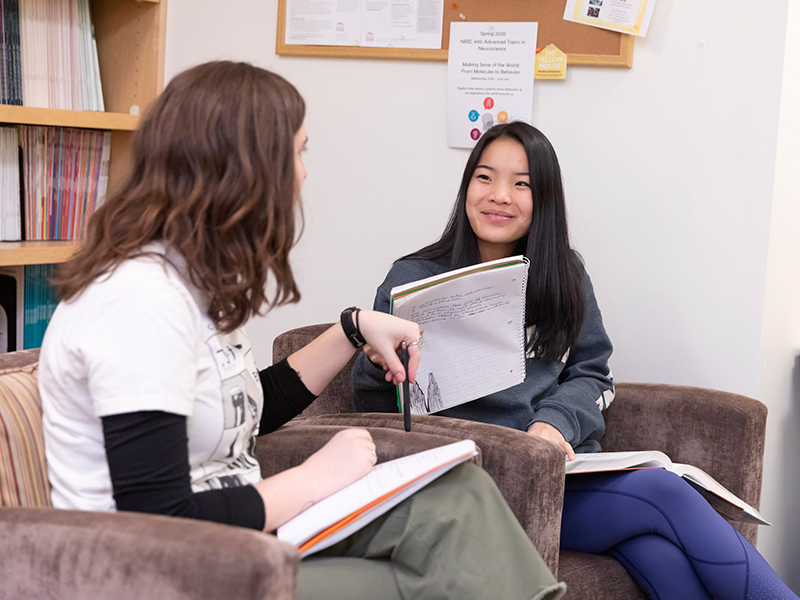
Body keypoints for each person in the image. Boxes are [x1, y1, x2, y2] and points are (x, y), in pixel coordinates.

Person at [37, 62, 565, 600]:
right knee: (442, 578)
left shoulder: (190, 285)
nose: (304, 174)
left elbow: (240, 409)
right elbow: (156, 516)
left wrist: (353, 329)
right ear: (247, 170)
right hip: (164, 574)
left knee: (458, 496)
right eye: (298, 152)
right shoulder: (138, 302)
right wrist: (314, 480)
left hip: (236, 543)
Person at [352, 121, 799, 600]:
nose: (500, 195)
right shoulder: (413, 277)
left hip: (561, 470)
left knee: (658, 553)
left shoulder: (564, 274)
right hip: (484, 481)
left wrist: (555, 422)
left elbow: (592, 372)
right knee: (666, 494)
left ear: (543, 199)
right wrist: (381, 360)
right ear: (466, 187)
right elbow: (370, 395)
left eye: (522, 183)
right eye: (484, 177)